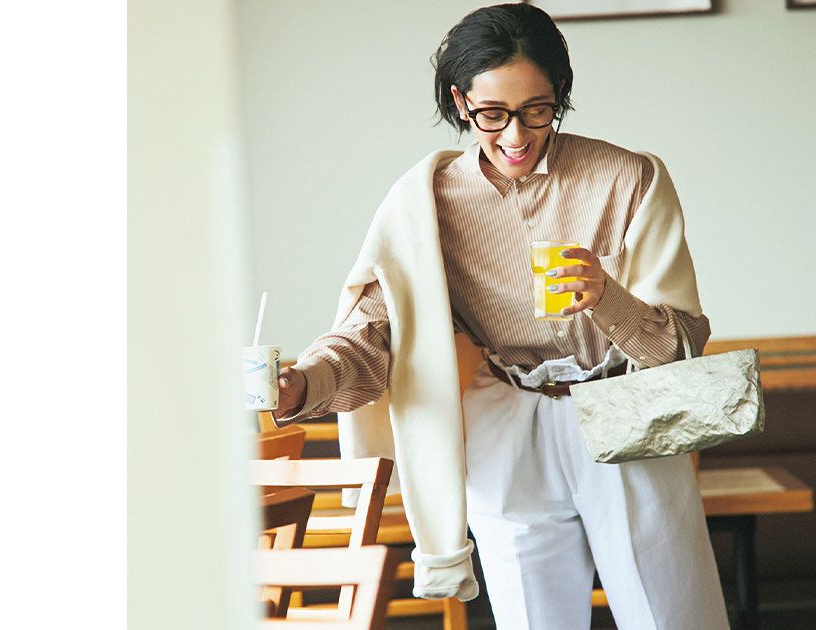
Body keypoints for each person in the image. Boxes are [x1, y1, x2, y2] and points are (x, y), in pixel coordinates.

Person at [273, 4, 729, 629]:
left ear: (559, 95)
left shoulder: (629, 178)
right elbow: (370, 334)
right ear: (462, 103)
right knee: (529, 617)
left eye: (536, 110)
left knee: (669, 612)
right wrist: (301, 384)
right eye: (493, 114)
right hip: (506, 419)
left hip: (624, 410)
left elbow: (681, 347)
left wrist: (608, 299)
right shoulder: (425, 203)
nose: (516, 136)